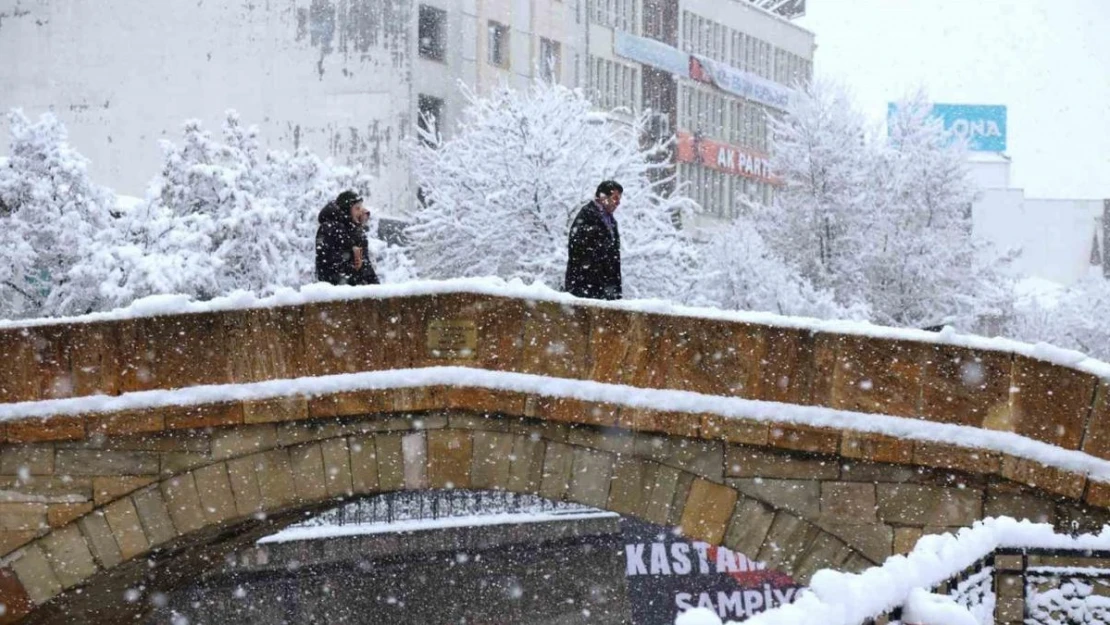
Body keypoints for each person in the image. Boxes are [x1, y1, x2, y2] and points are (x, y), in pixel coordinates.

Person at [565, 180, 623, 300]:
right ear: (602, 197)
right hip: (586, 288)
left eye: (619, 198)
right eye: (615, 198)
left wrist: (615, 290)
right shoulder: (587, 216)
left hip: (605, 290)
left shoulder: (611, 222)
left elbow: (614, 258)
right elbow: (579, 252)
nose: (618, 203)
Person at [315, 190, 380, 286]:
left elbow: (366, 265)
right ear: (347, 210)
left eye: (361, 207)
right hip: (336, 293)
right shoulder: (329, 228)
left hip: (355, 292)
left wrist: (376, 287)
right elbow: (328, 266)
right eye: (357, 208)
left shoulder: (358, 232)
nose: (361, 211)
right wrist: (354, 269)